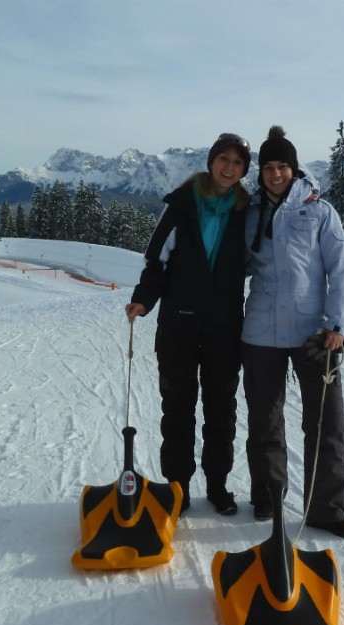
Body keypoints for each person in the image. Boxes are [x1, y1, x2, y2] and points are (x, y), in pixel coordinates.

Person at [241, 125, 344, 538]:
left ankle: (326, 508)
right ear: (261, 171)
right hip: (259, 332)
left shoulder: (319, 210)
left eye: (282, 166)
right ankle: (268, 496)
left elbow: (340, 271)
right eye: (268, 167)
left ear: (294, 168)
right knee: (264, 420)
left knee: (327, 423)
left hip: (315, 334)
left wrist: (336, 326)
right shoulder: (249, 212)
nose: (275, 174)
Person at [125, 133, 251, 516]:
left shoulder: (248, 210)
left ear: (244, 170)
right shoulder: (181, 205)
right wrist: (144, 299)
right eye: (223, 159)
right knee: (177, 410)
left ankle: (217, 486)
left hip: (225, 328)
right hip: (178, 327)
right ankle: (177, 489)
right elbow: (157, 261)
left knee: (220, 411)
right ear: (211, 161)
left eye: (237, 163)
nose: (229, 168)